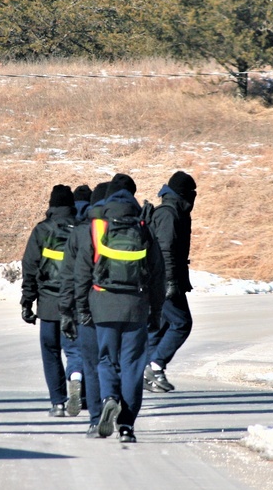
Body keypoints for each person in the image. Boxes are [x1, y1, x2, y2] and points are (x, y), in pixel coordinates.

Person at [73, 173, 165, 442]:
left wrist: (82, 307)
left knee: (106, 359)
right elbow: (158, 274)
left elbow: (82, 272)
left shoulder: (97, 225)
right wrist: (156, 311)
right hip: (136, 305)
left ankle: (109, 396)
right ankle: (126, 426)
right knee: (133, 365)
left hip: (102, 302)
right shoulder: (143, 225)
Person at [21, 184, 83, 417]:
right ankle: (76, 377)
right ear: (72, 206)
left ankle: (58, 403)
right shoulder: (82, 229)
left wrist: (27, 301)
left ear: (51, 205)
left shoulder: (42, 230)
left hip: (47, 303)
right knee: (75, 350)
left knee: (51, 352)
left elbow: (30, 267)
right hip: (75, 302)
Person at [59, 182, 107, 437]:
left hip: (81, 304)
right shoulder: (110, 228)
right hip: (114, 304)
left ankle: (81, 388)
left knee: (84, 357)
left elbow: (69, 275)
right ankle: (114, 405)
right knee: (109, 360)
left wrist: (67, 310)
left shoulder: (78, 231)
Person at [145, 171, 197, 393]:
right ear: (184, 193)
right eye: (192, 193)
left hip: (161, 279)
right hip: (162, 280)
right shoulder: (169, 214)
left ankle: (146, 371)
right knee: (181, 323)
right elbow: (165, 250)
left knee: (160, 325)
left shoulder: (174, 211)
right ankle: (154, 367)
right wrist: (170, 283)